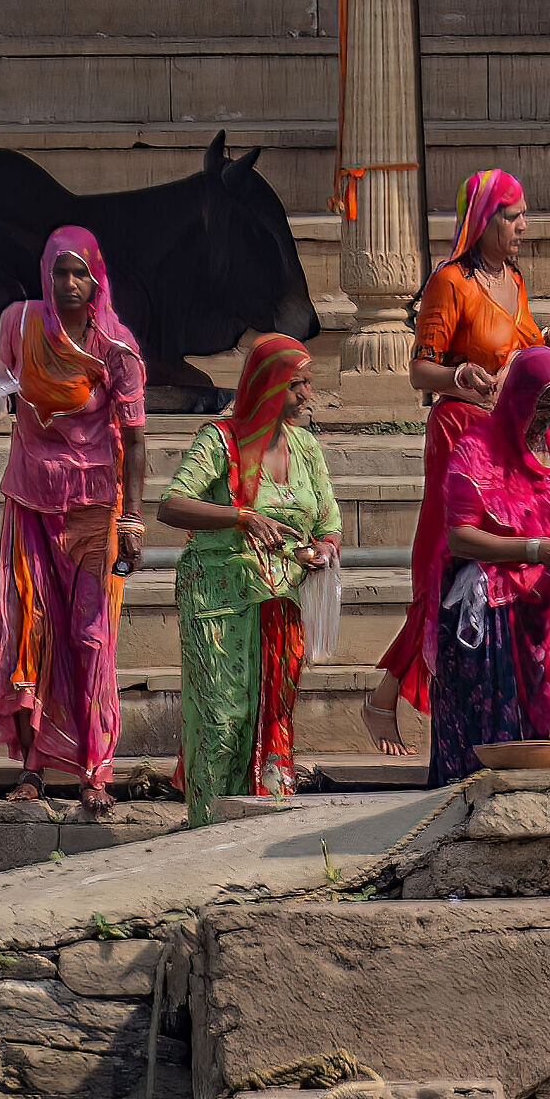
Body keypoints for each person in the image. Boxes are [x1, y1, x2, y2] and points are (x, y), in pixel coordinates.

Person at [367, 170, 550, 757]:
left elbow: (527, 355)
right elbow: (419, 369)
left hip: (507, 437)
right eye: (513, 217)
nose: (523, 227)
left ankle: (407, 696)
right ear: (484, 221)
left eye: (523, 216)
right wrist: (457, 376)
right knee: (450, 571)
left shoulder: (514, 280)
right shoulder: (450, 283)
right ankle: (386, 694)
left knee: (498, 576)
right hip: (461, 433)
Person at [0, 226, 148, 820]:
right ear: (45, 276)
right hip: (29, 498)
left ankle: (96, 770)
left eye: (80, 273)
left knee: (91, 637)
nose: (69, 284)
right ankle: (32, 766)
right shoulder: (18, 324)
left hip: (97, 510)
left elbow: (136, 440)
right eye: (59, 273)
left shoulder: (116, 346)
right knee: (29, 629)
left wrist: (132, 520)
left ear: (97, 276)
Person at [157, 334, 342, 827]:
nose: (307, 395)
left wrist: (322, 548)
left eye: (309, 383)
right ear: (268, 385)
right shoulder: (220, 440)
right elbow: (171, 505)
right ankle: (207, 826)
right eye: (298, 384)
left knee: (273, 717)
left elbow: (328, 522)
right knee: (224, 719)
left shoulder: (305, 447)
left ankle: (259, 825)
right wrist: (241, 517)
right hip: (219, 601)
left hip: (281, 602)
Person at [429, 347, 550, 787]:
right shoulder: (475, 450)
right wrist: (538, 548)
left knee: (534, 717)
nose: (546, 420)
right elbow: (460, 537)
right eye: (539, 408)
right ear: (517, 398)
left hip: (539, 598)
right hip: (486, 607)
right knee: (490, 729)